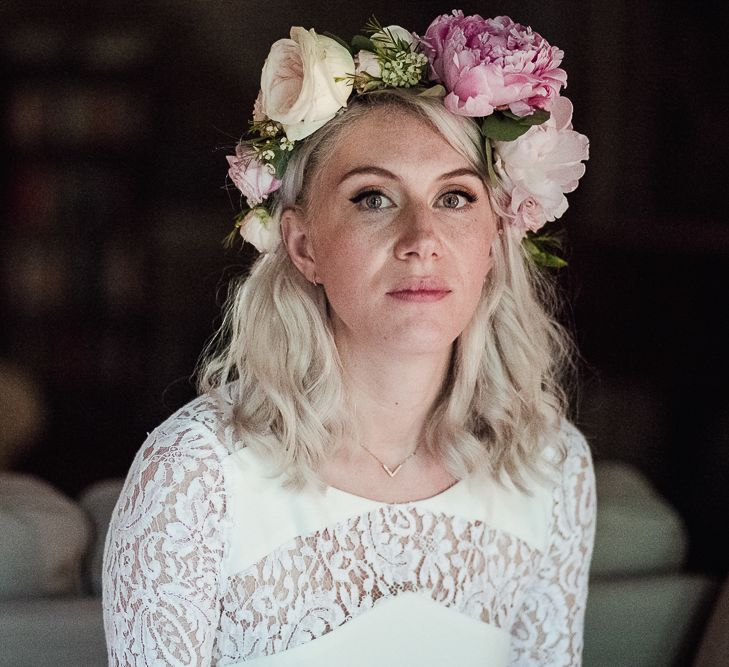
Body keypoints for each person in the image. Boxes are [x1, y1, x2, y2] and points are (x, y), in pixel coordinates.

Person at [103, 11, 595, 666]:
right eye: (373, 198)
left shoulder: (552, 466)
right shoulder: (193, 477)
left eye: (454, 198)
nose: (421, 240)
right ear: (303, 244)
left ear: (493, 240)